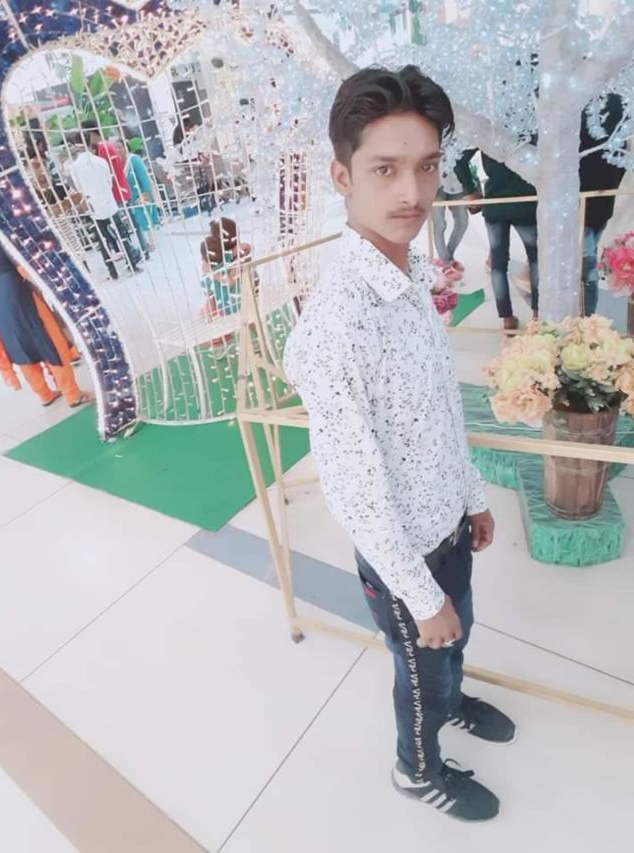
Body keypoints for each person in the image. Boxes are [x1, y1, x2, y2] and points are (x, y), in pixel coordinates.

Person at [283, 66, 513, 824]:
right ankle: (418, 767)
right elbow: (352, 486)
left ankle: (451, 694)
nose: (413, 192)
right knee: (419, 671)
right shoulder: (336, 327)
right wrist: (419, 593)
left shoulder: (409, 270)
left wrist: (472, 497)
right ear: (342, 176)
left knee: (455, 639)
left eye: (427, 166)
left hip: (447, 525)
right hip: (403, 557)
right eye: (385, 169)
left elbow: (440, 408)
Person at [0, 240, 92, 407]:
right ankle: (72, 394)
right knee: (49, 339)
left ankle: (45, 394)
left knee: (18, 346)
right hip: (16, 290)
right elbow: (20, 263)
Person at [457, 151, 539, 330]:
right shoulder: (528, 133)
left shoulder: (488, 134)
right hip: (525, 202)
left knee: (498, 264)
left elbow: (459, 158)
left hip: (495, 203)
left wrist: (470, 189)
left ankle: (507, 318)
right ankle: (537, 314)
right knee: (535, 260)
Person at [67, 134, 142, 279]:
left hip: (93, 207)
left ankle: (112, 272)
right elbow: (109, 181)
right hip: (108, 202)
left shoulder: (74, 167)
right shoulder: (101, 161)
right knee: (121, 234)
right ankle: (132, 265)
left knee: (102, 240)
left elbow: (79, 187)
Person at [579, 94, 627, 315]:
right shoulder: (618, 101)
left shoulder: (578, 101)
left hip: (581, 194)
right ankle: (587, 316)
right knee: (589, 254)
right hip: (605, 192)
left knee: (587, 259)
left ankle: (586, 317)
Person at [431, 154, 480, 266]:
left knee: (462, 222)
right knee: (439, 224)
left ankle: (447, 256)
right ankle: (445, 261)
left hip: (458, 185)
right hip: (437, 185)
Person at [115, 139, 160, 256]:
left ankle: (152, 242)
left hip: (141, 193)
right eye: (116, 148)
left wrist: (145, 193)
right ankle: (146, 243)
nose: (118, 150)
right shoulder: (118, 163)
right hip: (130, 196)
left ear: (126, 147)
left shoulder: (134, 160)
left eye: (120, 147)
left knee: (146, 216)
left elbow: (143, 177)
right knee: (139, 220)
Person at [199, 218, 251, 319]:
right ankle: (211, 313)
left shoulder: (238, 257)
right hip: (227, 301)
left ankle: (212, 314)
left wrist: (212, 272)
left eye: (211, 237)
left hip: (235, 304)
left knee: (210, 288)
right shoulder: (222, 259)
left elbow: (229, 281)